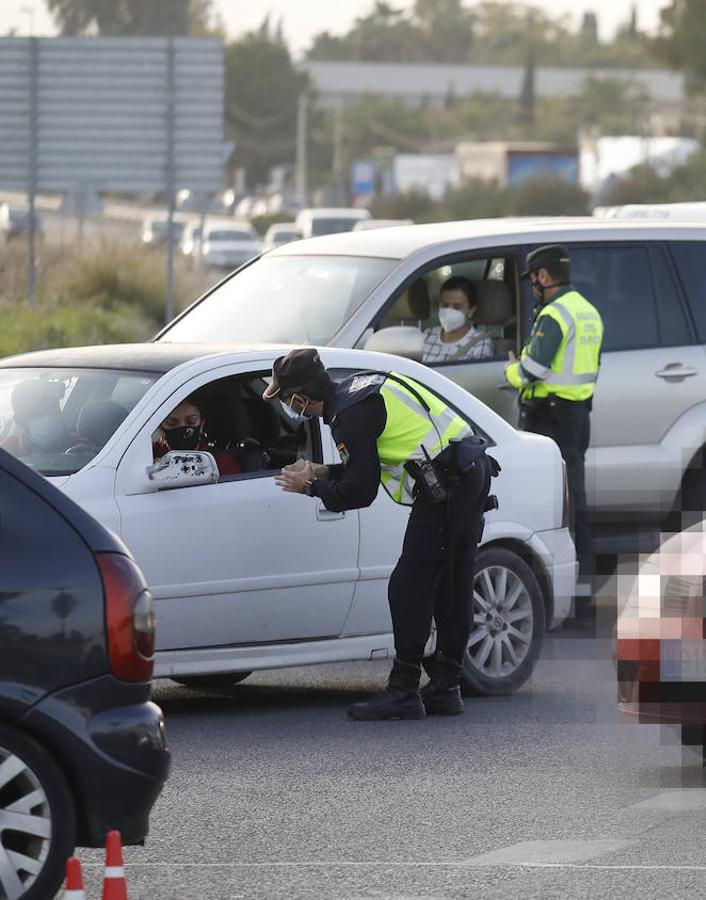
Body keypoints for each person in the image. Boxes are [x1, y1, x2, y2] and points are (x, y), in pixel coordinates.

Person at [267, 348, 493, 721]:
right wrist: (321, 472)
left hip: (450, 485)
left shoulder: (348, 415)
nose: (291, 407)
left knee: (409, 585)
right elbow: (363, 469)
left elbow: (359, 491)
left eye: (288, 399)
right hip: (464, 472)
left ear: (301, 397)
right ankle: (445, 688)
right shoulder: (358, 390)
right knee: (446, 582)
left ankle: (406, 691)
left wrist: (307, 488)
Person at [506, 245, 602, 581]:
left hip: (550, 417)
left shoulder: (554, 315)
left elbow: (533, 370)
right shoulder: (587, 311)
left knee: (554, 507)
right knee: (574, 501)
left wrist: (509, 371)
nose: (532, 285)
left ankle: (568, 590)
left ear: (544, 276)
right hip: (576, 415)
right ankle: (583, 589)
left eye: (533, 278)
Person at [152, 398, 241, 476]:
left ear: (201, 425)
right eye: (172, 423)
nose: (183, 427)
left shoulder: (220, 463)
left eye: (191, 421)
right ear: (161, 427)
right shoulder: (147, 457)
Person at [421, 276, 494, 364]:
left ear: (471, 310)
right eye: (445, 305)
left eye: (457, 307)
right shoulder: (428, 334)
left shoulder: (479, 343)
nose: (449, 311)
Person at [1, 378, 76, 455]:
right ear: (19, 420)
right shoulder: (6, 452)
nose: (48, 419)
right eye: (36, 414)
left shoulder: (81, 447)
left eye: (52, 410)